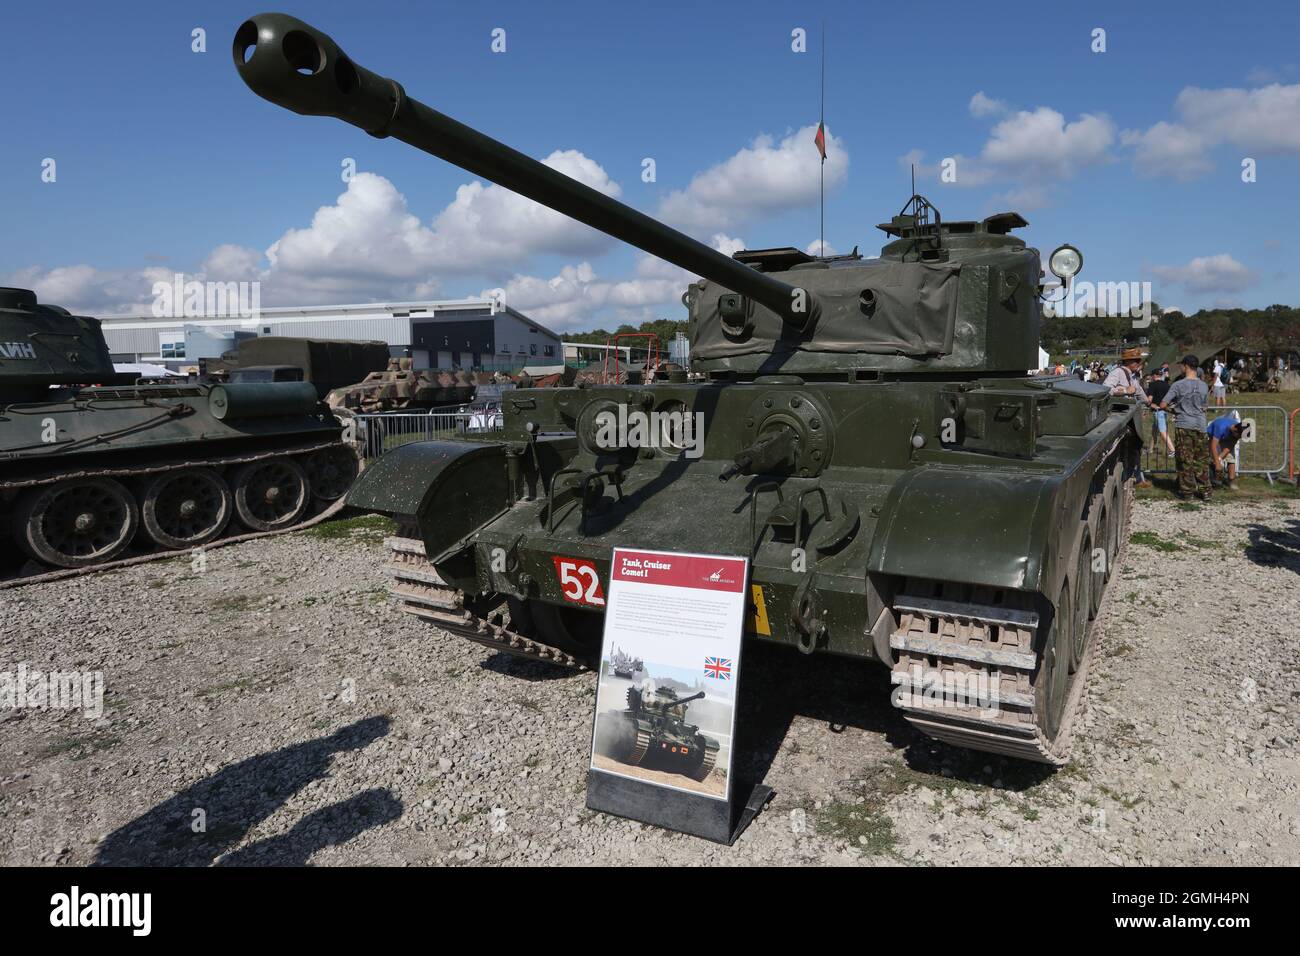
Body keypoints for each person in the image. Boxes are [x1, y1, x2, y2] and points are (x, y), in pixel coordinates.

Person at [1158, 355, 1211, 501]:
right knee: (1201, 460)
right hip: (1200, 425)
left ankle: (1188, 492)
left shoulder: (1178, 385)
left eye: (1181, 365)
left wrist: (1174, 410)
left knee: (1185, 460)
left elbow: (1163, 404)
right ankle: (1205, 491)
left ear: (1186, 366)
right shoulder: (1204, 385)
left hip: (1184, 425)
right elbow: (1205, 407)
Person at [1206, 416, 1246, 490]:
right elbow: (1213, 446)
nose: (1239, 438)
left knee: (1231, 458)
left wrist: (1219, 458)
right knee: (1212, 458)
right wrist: (1217, 462)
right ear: (1235, 430)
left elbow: (1229, 447)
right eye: (1239, 436)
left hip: (1227, 439)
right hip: (1213, 437)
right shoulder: (1221, 427)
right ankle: (1212, 481)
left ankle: (1231, 481)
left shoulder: (1237, 432)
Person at [1146, 368, 1175, 456]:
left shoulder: (1152, 385)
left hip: (1158, 411)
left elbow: (1149, 399)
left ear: (1154, 376)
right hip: (1165, 410)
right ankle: (1150, 450)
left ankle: (1172, 450)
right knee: (1154, 431)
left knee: (1162, 431)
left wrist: (1149, 404)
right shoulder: (1166, 385)